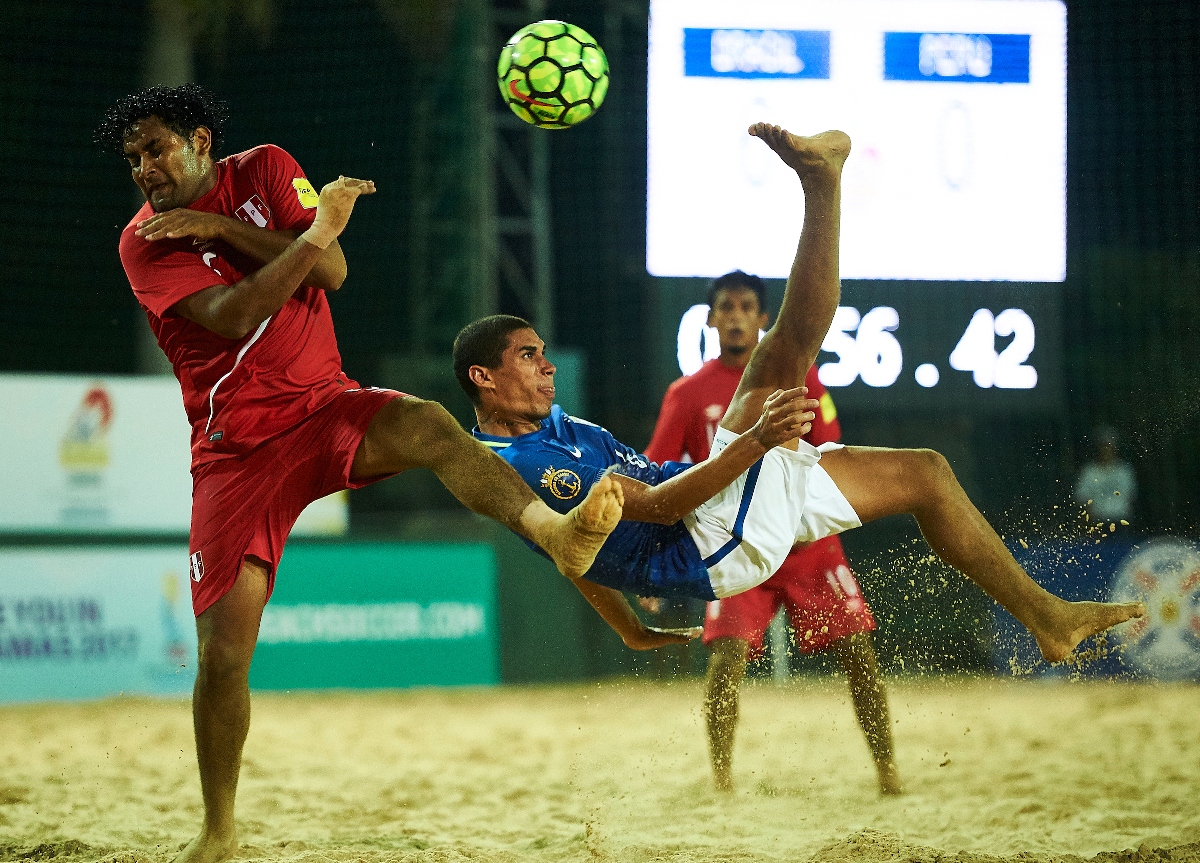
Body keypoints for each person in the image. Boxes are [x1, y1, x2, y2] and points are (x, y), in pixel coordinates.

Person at [96, 84, 629, 863]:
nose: (144, 168)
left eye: (155, 148)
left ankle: (553, 529)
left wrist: (234, 227)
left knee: (428, 422)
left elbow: (333, 269)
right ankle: (219, 828)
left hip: (324, 406)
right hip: (236, 451)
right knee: (223, 655)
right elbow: (237, 314)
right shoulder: (143, 242)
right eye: (133, 159)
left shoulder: (268, 168)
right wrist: (308, 236)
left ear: (201, 140)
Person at [452, 123, 1144, 682]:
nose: (546, 365)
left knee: (927, 471)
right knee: (780, 357)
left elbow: (569, 550)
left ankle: (1048, 619)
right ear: (482, 377)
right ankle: (822, 183)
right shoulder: (525, 461)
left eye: (544, 353)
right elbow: (657, 507)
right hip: (708, 545)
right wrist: (755, 441)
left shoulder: (547, 427)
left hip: (715, 515)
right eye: (527, 356)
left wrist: (628, 625)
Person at [643, 271, 899, 794]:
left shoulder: (802, 379)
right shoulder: (687, 394)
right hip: (735, 549)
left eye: (746, 307)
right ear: (711, 318)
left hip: (806, 543)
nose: (735, 315)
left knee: (860, 654)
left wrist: (806, 526)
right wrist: (650, 564)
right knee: (726, 659)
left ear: (764, 319)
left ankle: (890, 777)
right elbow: (658, 474)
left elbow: (829, 457)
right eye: (725, 307)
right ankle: (720, 784)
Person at [1074, 425, 1137, 529]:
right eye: (1104, 446)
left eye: (1109, 446)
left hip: (1121, 522)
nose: (1107, 450)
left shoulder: (1124, 470)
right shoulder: (1089, 472)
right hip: (1098, 522)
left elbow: (1131, 498)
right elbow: (1083, 500)